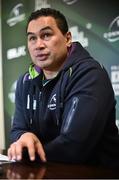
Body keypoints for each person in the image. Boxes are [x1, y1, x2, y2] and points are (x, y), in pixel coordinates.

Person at [8, 8, 119, 168]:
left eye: (46, 35)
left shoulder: (89, 74)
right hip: (47, 171)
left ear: (67, 39)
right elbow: (17, 130)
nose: (38, 45)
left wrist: (27, 154)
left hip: (96, 174)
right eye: (32, 38)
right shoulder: (25, 81)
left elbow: (74, 146)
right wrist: (25, 136)